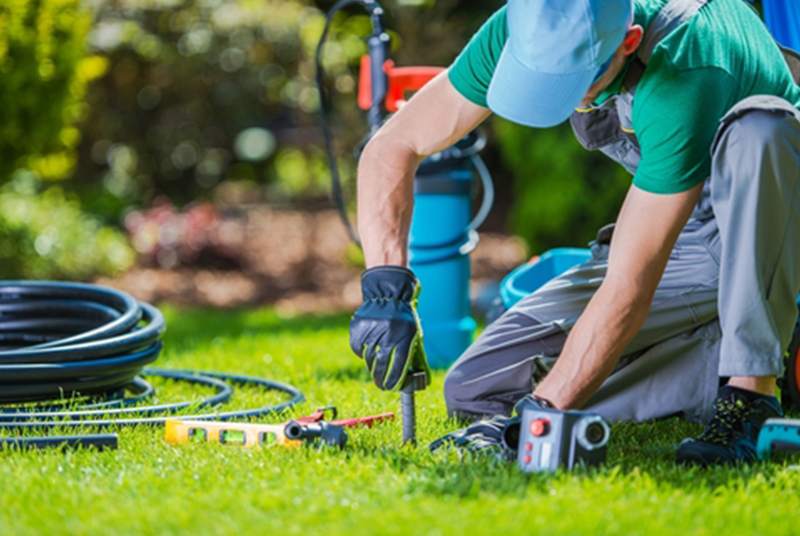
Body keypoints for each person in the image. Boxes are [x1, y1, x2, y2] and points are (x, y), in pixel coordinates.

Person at [349, 0, 800, 466]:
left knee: (760, 128)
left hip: (774, 225)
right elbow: (393, 146)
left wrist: (541, 417)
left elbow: (629, 285)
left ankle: (750, 395)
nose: (566, 99)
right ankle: (744, 354)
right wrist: (386, 288)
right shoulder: (532, 21)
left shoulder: (686, 60)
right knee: (478, 386)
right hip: (681, 230)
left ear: (629, 43)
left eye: (575, 86)